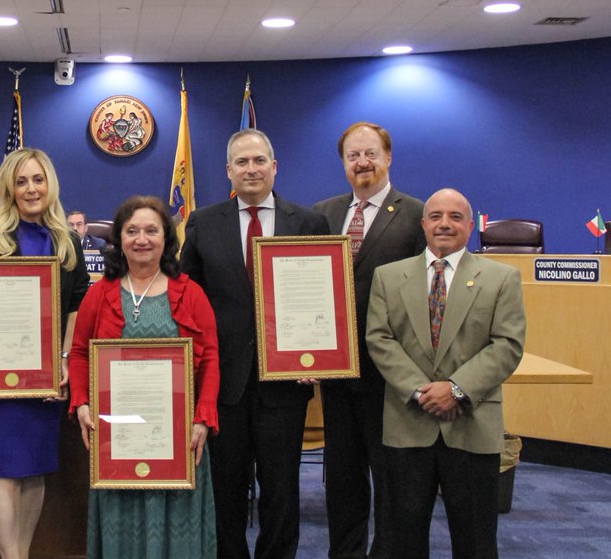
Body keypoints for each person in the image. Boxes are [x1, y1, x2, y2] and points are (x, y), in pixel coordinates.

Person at [179, 128, 330, 559]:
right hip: (223, 382)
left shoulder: (309, 223)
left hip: (285, 382)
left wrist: (319, 352)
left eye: (259, 160)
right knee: (225, 491)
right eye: (241, 162)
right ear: (228, 171)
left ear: (274, 167)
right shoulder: (204, 222)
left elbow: (323, 296)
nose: (251, 169)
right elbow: (188, 299)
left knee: (281, 491)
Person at [367, 188, 525, 559]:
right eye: (436, 216)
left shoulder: (502, 278)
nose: (444, 224)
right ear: (423, 224)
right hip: (408, 424)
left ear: (471, 226)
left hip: (471, 426)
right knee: (403, 539)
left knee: (476, 541)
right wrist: (422, 391)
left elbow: (507, 345)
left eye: (455, 217)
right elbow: (379, 338)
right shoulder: (388, 277)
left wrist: (455, 389)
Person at [0, 148, 91, 559]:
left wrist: (64, 360)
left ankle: (23, 553)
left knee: (34, 474)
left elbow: (76, 305)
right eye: (22, 181)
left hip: (45, 379)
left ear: (50, 184)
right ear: (9, 188)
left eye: (38, 179)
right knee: (6, 472)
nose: (31, 189)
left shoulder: (67, 243)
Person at [69, 195, 220, 558]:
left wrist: (203, 418)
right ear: (118, 238)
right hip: (117, 439)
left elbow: (211, 358)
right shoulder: (99, 294)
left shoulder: (191, 293)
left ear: (166, 238)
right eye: (132, 230)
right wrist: (82, 403)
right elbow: (78, 352)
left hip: (178, 438)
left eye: (151, 230)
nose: (141, 239)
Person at [313, 123, 426, 559]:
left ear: (388, 157)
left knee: (393, 479)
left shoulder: (417, 214)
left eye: (370, 154)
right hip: (336, 372)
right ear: (343, 163)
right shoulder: (321, 213)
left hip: (392, 374)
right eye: (353, 156)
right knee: (342, 477)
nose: (362, 162)